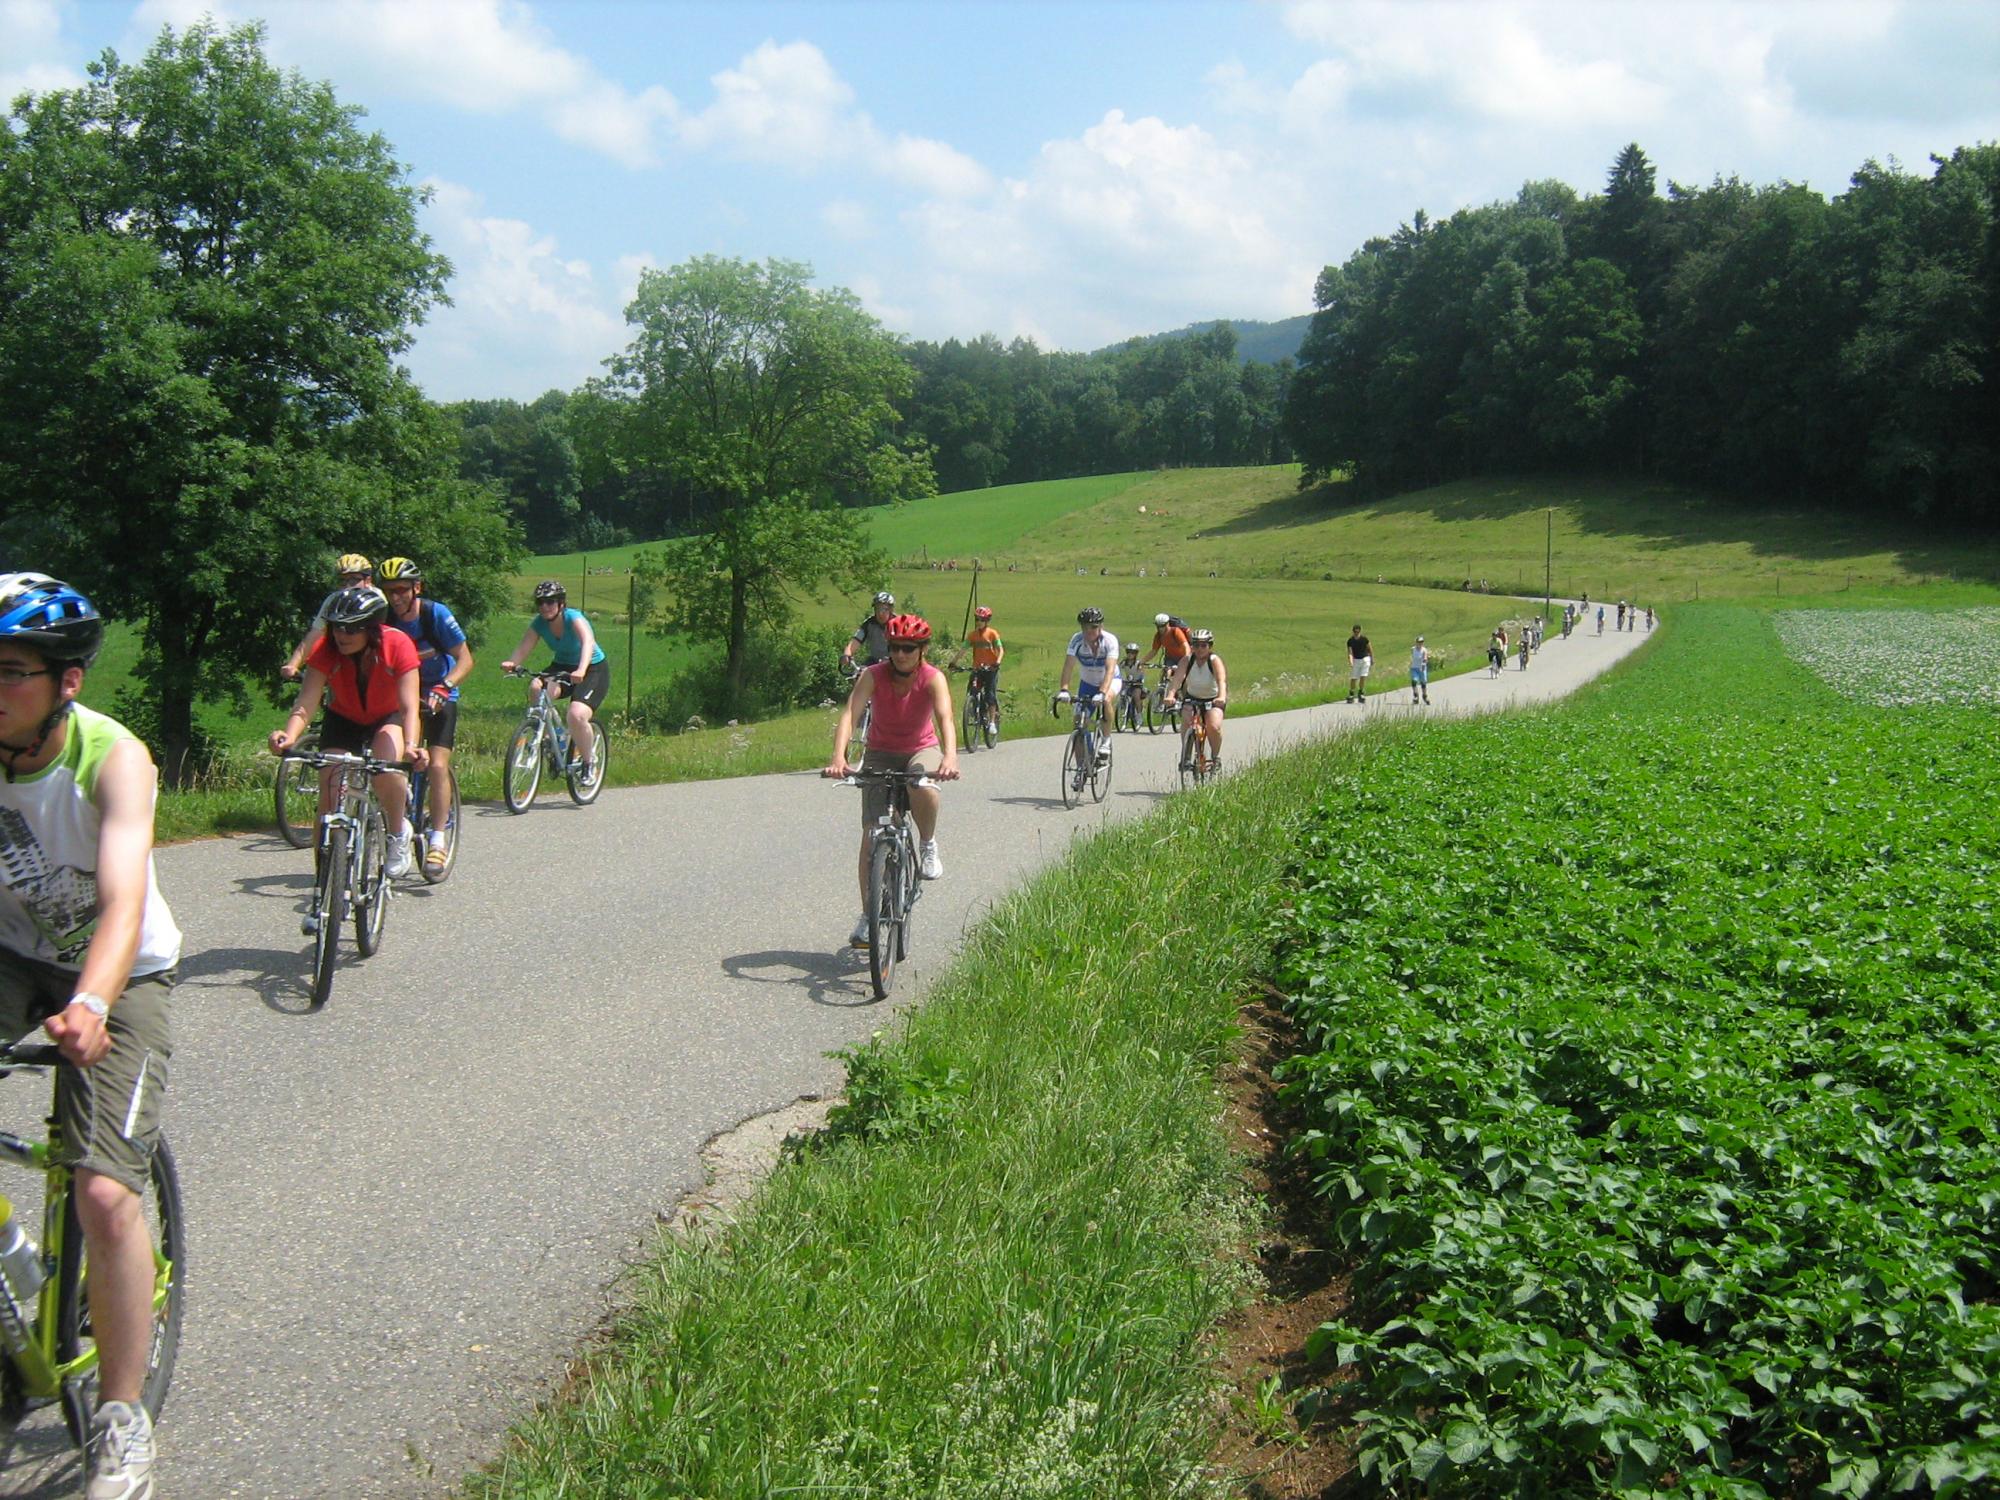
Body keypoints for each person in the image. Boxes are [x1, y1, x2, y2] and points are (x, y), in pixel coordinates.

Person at [0, 574, 180, 1500]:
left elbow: (121, 904)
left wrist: (97, 1002)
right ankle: (22, 1278)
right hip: (11, 954)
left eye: (11, 671)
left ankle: (121, 1420)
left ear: (66, 682)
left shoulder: (112, 757)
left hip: (122, 971)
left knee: (105, 1194)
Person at [270, 584, 428, 887]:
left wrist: (410, 746)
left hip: (387, 716)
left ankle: (397, 831)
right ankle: (325, 880)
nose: (341, 635)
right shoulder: (326, 649)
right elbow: (307, 701)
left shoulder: (397, 644)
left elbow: (409, 706)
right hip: (343, 718)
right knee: (329, 792)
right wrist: (288, 736)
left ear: (371, 628)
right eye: (337, 627)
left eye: (351, 629)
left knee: (386, 767)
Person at [823, 614, 959, 947]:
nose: (900, 654)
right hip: (880, 753)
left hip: (920, 749)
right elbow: (850, 715)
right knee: (871, 836)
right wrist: (839, 758)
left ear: (922, 649)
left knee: (920, 783)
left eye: (908, 648)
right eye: (896, 647)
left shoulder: (932, 678)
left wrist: (950, 758)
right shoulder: (873, 675)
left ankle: (927, 844)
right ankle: (869, 916)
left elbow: (946, 719)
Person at [378, 558, 472, 875]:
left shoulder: (436, 615)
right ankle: (398, 822)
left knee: (436, 764)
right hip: (404, 694)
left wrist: (445, 687)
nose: (395, 597)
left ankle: (438, 839)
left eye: (402, 589)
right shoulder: (385, 619)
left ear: (417, 588)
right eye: (389, 590)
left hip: (439, 693)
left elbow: (465, 659)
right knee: (394, 758)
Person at [500, 580, 607, 781]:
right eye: (540, 603)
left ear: (561, 603)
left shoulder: (574, 618)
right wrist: (512, 662)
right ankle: (550, 735)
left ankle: (588, 762)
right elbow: (525, 646)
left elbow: (587, 643)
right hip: (562, 666)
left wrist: (582, 670)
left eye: (550, 602)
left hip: (592, 668)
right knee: (535, 687)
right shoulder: (539, 623)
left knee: (576, 714)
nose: (544, 607)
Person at [280, 553, 373, 681]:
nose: (347, 586)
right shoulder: (333, 601)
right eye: (342, 580)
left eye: (353, 580)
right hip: (343, 660)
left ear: (368, 581)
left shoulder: (377, 600)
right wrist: (293, 664)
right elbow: (316, 633)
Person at [1056, 607, 1121, 763]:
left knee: (1106, 701)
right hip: (1088, 683)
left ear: (1101, 627)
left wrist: (1102, 692)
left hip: (1110, 680)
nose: (1089, 631)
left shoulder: (1109, 641)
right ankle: (1082, 767)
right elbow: (1068, 666)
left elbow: (1110, 669)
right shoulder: (1077, 640)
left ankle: (1106, 740)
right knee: (1078, 723)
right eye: (1085, 627)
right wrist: (1064, 689)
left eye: (1093, 627)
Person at [1165, 628, 1227, 773]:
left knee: (1214, 726)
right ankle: (1186, 756)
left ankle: (1215, 757)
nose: (1199, 649)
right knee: (1187, 720)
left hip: (1212, 699)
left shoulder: (1214, 661)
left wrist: (1221, 697)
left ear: (1209, 646)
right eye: (1196, 645)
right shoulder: (1187, 660)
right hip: (1192, 697)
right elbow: (1177, 679)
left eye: (1203, 645)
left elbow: (1221, 681)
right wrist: (1171, 695)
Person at [946, 605, 1003, 737]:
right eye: (977, 619)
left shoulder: (992, 634)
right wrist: (953, 662)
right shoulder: (972, 635)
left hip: (991, 669)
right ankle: (973, 708)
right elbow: (963, 650)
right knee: (972, 690)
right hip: (978, 668)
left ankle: (992, 722)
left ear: (987, 620)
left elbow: (1000, 650)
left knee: (990, 694)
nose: (979, 622)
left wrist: (997, 662)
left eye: (982, 620)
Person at [841, 592, 897, 675]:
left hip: (895, 663)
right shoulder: (869, 623)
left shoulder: (898, 624)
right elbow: (855, 641)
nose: (880, 613)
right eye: (877, 609)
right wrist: (847, 654)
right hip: (874, 661)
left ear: (891, 610)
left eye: (884, 609)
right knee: (859, 675)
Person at [1142, 612, 1189, 677]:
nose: (1160, 628)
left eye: (1162, 626)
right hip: (1170, 658)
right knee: (1167, 672)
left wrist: (1186, 658)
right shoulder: (1158, 636)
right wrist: (1142, 661)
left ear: (1167, 624)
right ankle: (1164, 685)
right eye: (1158, 626)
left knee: (1183, 676)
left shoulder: (1175, 631)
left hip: (1182, 658)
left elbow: (1185, 646)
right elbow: (1154, 651)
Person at [1345, 624, 1372, 704]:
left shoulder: (1364, 639)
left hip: (1365, 659)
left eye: (1358, 631)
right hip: (1356, 660)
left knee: (1363, 676)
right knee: (1354, 677)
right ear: (1353, 631)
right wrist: (1350, 661)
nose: (1356, 633)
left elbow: (1370, 649)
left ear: (1360, 631)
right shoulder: (1350, 641)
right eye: (1355, 631)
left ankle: (1361, 692)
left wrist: (1372, 658)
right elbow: (1350, 652)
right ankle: (1352, 693)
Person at [1409, 636, 1431, 705]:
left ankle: (1425, 696)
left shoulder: (1424, 650)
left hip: (1422, 668)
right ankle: (1416, 696)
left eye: (1422, 642)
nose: (1420, 643)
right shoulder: (1413, 649)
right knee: (1414, 681)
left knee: (1423, 683)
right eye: (1419, 642)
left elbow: (1425, 658)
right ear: (1416, 642)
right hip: (1414, 668)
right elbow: (1412, 657)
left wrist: (1423, 664)